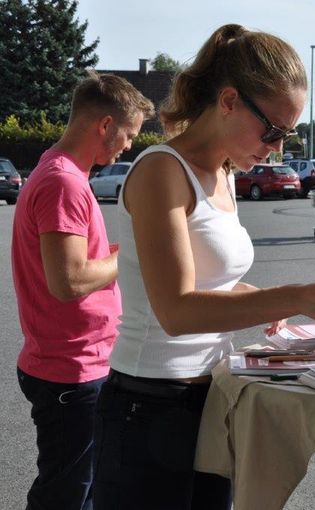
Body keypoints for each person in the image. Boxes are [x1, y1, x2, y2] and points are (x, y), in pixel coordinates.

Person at [91, 24, 315, 510]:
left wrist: (258, 301)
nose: (277, 149)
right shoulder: (163, 169)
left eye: (287, 135)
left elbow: (210, 277)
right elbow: (176, 311)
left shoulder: (225, 172)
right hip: (149, 406)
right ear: (228, 100)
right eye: (272, 131)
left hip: (212, 397)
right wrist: (299, 296)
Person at [12, 72, 153, 510]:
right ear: (105, 125)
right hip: (70, 369)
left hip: (69, 364)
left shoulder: (58, 171)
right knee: (68, 494)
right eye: (128, 135)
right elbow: (68, 280)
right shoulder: (64, 182)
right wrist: (129, 255)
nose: (129, 146)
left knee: (78, 487)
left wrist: (108, 254)